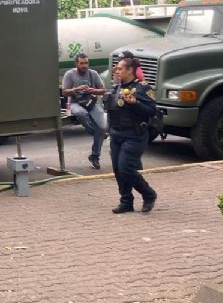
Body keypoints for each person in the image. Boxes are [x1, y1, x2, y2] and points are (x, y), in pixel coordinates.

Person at [105, 58, 158, 214]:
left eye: (120, 69)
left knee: (125, 168)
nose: (117, 71)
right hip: (116, 134)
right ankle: (126, 201)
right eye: (117, 69)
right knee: (117, 169)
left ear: (130, 70)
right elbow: (112, 112)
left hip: (134, 135)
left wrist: (136, 103)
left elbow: (152, 111)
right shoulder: (116, 88)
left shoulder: (142, 88)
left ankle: (149, 194)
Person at [62, 53, 107, 170]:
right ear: (76, 63)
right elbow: (64, 92)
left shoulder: (93, 73)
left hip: (91, 101)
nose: (84, 65)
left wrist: (92, 90)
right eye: (81, 63)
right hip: (76, 103)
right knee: (81, 113)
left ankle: (94, 156)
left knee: (102, 127)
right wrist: (76, 89)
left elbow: (103, 90)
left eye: (86, 63)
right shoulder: (69, 74)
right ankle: (96, 133)